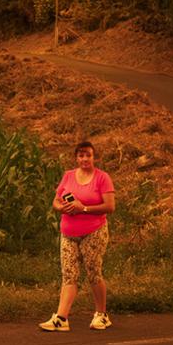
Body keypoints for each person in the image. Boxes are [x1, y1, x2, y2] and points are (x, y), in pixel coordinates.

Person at [39, 140, 116, 332]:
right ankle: (61, 318)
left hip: (93, 232)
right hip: (68, 232)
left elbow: (110, 206)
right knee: (69, 275)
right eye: (81, 155)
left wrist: (84, 208)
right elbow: (56, 201)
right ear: (76, 158)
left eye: (88, 155)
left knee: (93, 272)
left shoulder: (102, 178)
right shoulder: (68, 176)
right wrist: (62, 207)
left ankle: (101, 315)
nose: (84, 159)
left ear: (94, 157)